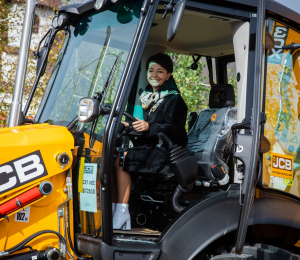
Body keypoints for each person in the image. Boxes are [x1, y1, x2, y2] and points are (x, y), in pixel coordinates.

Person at [112, 53, 188, 230]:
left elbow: (174, 129)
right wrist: (129, 126)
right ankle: (117, 209)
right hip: (153, 147)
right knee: (114, 155)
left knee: (122, 159)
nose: (154, 75)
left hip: (167, 152)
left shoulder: (174, 100)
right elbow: (149, 127)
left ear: (168, 75)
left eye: (160, 71)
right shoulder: (150, 97)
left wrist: (149, 127)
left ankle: (122, 212)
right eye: (151, 70)